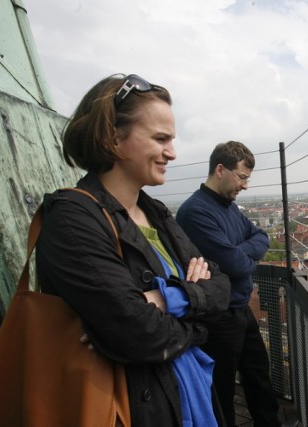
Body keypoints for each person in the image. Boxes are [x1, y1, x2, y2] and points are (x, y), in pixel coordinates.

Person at [35, 74, 231, 426]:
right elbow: (139, 333)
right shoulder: (72, 219)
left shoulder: (154, 211)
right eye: (160, 139)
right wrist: (199, 320)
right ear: (114, 137)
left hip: (191, 397)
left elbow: (221, 286)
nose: (172, 152)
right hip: (133, 410)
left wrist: (164, 299)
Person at [176, 141, 282, 427]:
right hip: (216, 317)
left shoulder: (229, 207)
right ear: (220, 170)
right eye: (242, 177)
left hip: (239, 308)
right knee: (221, 390)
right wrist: (245, 258)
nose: (245, 186)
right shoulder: (195, 212)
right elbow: (236, 264)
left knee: (258, 374)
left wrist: (241, 255)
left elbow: (261, 236)